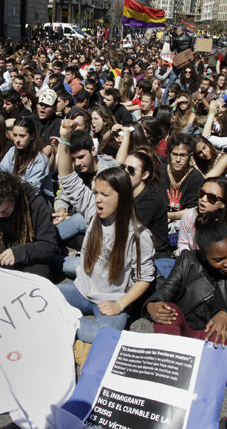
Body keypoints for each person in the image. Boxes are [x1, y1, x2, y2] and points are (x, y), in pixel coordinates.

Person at [56, 118, 155, 345]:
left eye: (105, 195)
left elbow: (145, 278)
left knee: (105, 336)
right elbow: (66, 177)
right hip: (79, 290)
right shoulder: (93, 209)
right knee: (41, 297)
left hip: (110, 301)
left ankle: (61, 323)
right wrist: (64, 139)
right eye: (96, 193)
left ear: (121, 196)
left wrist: (120, 305)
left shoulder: (139, 234)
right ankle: (61, 320)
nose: (97, 200)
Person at [144, 222, 227, 347]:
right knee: (167, 311)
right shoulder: (188, 260)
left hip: (215, 334)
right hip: (185, 329)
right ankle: (169, 356)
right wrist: (152, 305)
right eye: (218, 260)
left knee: (219, 334)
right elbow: (168, 289)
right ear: (203, 256)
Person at [0, 170, 58, 279]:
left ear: (14, 198)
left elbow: (49, 245)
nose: (0, 216)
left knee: (41, 272)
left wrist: (20, 253)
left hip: (26, 259)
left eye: (5, 210)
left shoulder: (36, 203)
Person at [178, 176, 227, 253]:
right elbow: (183, 243)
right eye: (201, 193)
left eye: (211, 197)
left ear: (223, 204)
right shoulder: (189, 215)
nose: (203, 199)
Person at [0, 118, 53, 200]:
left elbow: (31, 190)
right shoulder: (12, 151)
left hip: (34, 202)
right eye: (15, 135)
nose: (17, 140)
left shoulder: (40, 159)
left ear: (32, 136)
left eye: (22, 136)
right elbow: (2, 174)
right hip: (12, 197)